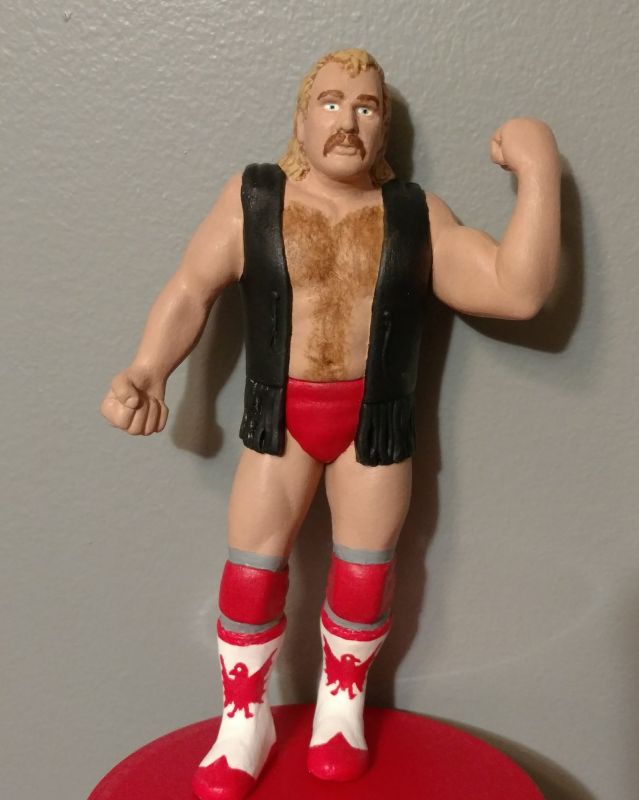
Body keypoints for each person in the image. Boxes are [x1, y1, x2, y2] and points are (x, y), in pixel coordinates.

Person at [101, 48, 561, 800]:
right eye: (331, 101)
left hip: (373, 425)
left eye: (366, 106)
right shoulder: (254, 199)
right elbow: (190, 288)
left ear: (383, 131)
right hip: (278, 421)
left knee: (364, 569)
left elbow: (516, 292)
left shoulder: (414, 215)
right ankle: (243, 721)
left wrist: (538, 168)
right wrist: (149, 368)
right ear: (300, 118)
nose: (348, 120)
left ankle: (339, 708)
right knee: (250, 569)